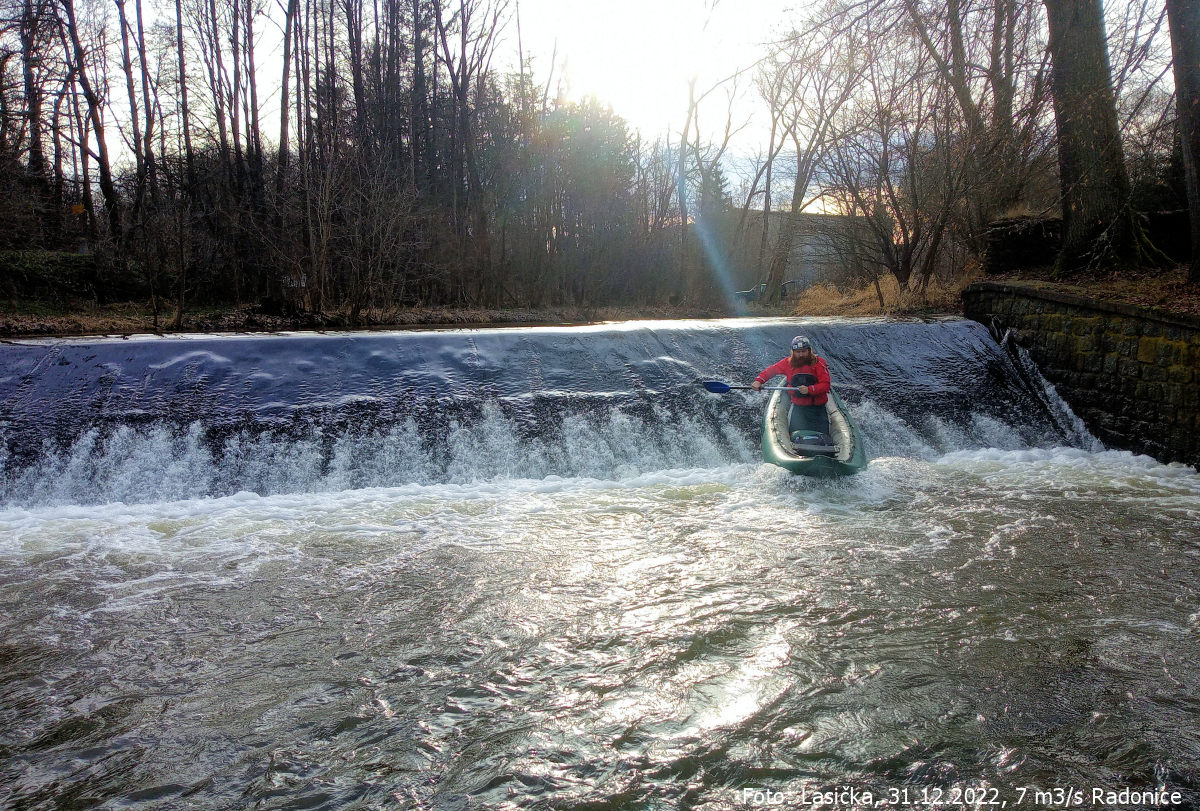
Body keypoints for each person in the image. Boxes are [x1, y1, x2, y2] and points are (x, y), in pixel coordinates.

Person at [751, 335, 831, 435]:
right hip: (799, 408)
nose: (801, 355)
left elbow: (826, 385)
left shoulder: (819, 363)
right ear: (793, 352)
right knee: (795, 436)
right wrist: (759, 381)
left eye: (804, 351)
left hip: (818, 409)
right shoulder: (787, 363)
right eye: (798, 352)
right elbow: (771, 370)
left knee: (824, 437)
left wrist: (809, 389)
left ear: (809, 351)